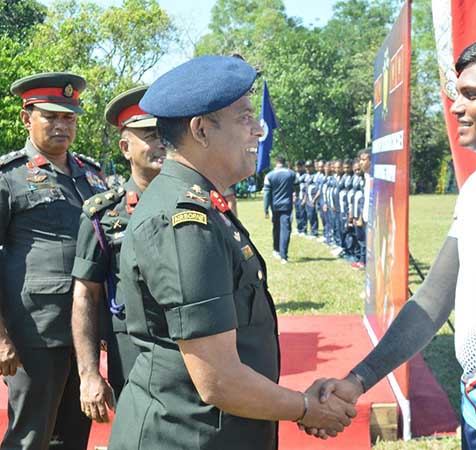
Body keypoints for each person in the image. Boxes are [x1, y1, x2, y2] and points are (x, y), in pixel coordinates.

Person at [308, 35, 476, 449]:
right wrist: (357, 380)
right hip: (475, 416)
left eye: (472, 95)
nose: (455, 107)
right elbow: (433, 300)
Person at [108, 55, 355, 450]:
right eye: (244, 118)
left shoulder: (204, 206)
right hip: (184, 437)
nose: (259, 130)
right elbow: (217, 379)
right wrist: (306, 407)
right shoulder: (184, 220)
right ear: (201, 130)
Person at [0, 72, 104, 449]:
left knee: (74, 433)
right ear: (27, 118)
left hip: (87, 331)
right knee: (30, 435)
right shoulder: (9, 178)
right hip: (36, 332)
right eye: (51, 117)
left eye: (69, 117)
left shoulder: (91, 175)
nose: (62, 125)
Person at [71, 86, 164, 423]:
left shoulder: (197, 203)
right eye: (150, 135)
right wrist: (89, 374)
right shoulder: (105, 215)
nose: (162, 143)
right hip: (133, 355)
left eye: (166, 133)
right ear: (125, 147)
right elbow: (85, 295)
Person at [263, 155, 297, 264]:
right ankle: (284, 256)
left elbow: (267, 194)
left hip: (275, 206)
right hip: (287, 206)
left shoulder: (269, 175)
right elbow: (297, 187)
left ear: (276, 162)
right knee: (285, 229)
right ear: (284, 162)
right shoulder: (291, 174)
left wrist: (266, 208)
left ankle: (276, 249)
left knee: (276, 228)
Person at [304, 160, 320, 238]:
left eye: (309, 167)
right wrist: (305, 198)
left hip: (313, 199)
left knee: (313, 215)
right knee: (309, 215)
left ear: (312, 167)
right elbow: (306, 189)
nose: (307, 169)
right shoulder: (307, 176)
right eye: (306, 167)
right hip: (308, 199)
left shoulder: (316, 176)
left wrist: (314, 199)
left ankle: (315, 232)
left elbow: (319, 189)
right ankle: (312, 230)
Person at [294, 160, 307, 235]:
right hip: (297, 197)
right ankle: (299, 228)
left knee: (303, 214)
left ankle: (303, 229)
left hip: (302, 196)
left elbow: (306, 188)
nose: (297, 168)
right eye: (296, 167)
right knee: (298, 213)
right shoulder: (296, 175)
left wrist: (305, 198)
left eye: (299, 167)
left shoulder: (305, 175)